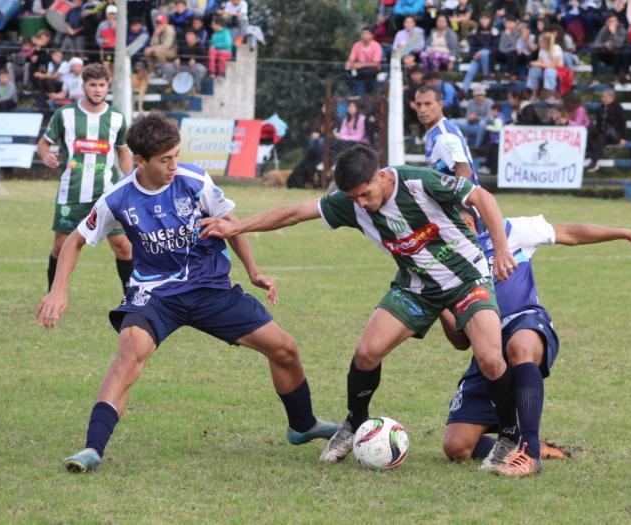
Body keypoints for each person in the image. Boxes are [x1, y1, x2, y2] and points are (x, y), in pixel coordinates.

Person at [36, 113, 339, 473]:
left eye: (176, 155)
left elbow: (229, 223)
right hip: (155, 295)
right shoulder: (118, 198)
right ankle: (92, 448)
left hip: (210, 288)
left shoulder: (194, 180)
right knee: (129, 354)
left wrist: (254, 272)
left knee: (285, 349)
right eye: (165, 160)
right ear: (141, 160)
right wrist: (59, 290)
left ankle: (302, 425)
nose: (174, 166)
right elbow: (74, 240)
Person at [197, 146, 521, 471]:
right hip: (417, 285)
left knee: (491, 358)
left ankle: (508, 435)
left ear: (380, 176)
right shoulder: (352, 204)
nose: (362, 204)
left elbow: (483, 198)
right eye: (354, 198)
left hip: (467, 277)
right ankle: (353, 424)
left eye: (365, 194)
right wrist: (237, 228)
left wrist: (502, 250)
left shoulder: (418, 183)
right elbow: (293, 213)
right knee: (367, 353)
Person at [441, 210, 631, 475]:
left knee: (518, 347)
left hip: (526, 322)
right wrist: (440, 306)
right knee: (457, 447)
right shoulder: (447, 264)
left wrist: (625, 233)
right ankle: (518, 443)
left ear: (468, 221)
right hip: (487, 348)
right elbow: (461, 341)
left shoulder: (509, 231)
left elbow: (571, 234)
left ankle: (529, 451)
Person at [36, 63, 134, 294]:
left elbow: (123, 152)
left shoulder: (117, 118)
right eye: (93, 85)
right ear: (84, 86)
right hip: (72, 194)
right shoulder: (65, 115)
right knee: (61, 246)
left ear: (107, 86)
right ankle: (53, 294)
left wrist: (130, 181)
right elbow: (43, 144)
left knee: (123, 246)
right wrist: (46, 156)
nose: (97, 90)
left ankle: (132, 299)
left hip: (108, 195)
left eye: (102, 85)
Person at [416, 84, 478, 183]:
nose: (422, 110)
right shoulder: (434, 131)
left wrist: (451, 197)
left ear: (440, 105)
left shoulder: (444, 136)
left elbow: (464, 172)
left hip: (466, 198)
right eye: (418, 104)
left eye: (428, 104)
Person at [586, 89, 627, 171]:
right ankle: (592, 156)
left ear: (612, 98)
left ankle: (594, 162)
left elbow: (623, 123)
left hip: (613, 134)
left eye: (605, 97)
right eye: (602, 97)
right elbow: (598, 124)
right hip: (602, 132)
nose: (603, 99)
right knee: (588, 131)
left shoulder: (618, 107)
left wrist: (623, 138)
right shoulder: (600, 108)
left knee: (601, 137)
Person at [461, 13, 499, 94]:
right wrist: (474, 55)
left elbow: (495, 47)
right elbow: (472, 46)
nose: (484, 21)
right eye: (482, 18)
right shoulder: (475, 32)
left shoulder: (494, 31)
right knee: (470, 71)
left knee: (484, 53)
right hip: (477, 57)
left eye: (486, 19)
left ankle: (486, 76)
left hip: (489, 58)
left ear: (490, 20)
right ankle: (463, 92)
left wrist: (481, 52)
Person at [589, 15, 627, 86]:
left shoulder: (622, 30)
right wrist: (604, 44)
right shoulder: (604, 29)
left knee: (618, 53)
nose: (613, 23)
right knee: (594, 52)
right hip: (607, 54)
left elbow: (619, 44)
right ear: (607, 22)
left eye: (615, 21)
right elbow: (596, 44)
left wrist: (613, 33)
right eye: (611, 21)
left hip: (619, 57)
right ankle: (594, 78)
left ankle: (616, 78)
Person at [345, 26, 383, 95]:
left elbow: (376, 63)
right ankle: (353, 92)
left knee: (367, 72)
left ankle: (367, 94)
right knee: (344, 70)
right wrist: (349, 63)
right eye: (362, 34)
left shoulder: (376, 46)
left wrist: (361, 65)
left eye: (366, 34)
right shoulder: (356, 45)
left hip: (371, 69)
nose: (363, 36)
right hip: (358, 68)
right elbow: (351, 58)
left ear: (372, 36)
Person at [455, 83, 493, 151]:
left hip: (485, 126)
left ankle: (476, 147)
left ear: (484, 94)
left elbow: (489, 118)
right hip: (472, 125)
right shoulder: (470, 102)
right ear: (474, 95)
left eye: (481, 95)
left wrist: (477, 117)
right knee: (453, 122)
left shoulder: (489, 102)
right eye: (477, 95)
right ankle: (457, 147)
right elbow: (467, 118)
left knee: (482, 123)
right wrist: (470, 118)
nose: (479, 97)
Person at [526, 32, 563, 100]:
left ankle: (551, 95)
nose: (539, 43)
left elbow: (554, 65)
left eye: (540, 42)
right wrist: (533, 63)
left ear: (545, 42)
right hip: (544, 69)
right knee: (533, 70)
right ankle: (534, 95)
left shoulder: (556, 48)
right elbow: (540, 61)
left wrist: (540, 64)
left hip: (557, 71)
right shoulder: (542, 50)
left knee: (549, 72)